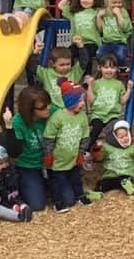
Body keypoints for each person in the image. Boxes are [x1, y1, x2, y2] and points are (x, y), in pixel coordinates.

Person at [43, 79, 100, 212]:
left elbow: (85, 137)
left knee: (76, 179)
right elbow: (49, 138)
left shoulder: (82, 117)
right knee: (57, 182)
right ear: (70, 101)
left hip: (73, 159)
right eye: (79, 101)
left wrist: (81, 153)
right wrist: (48, 154)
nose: (82, 104)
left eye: (82, 100)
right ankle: (58, 202)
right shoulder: (57, 117)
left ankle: (80, 195)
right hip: (57, 161)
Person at [0, 86, 51, 212]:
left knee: (66, 198)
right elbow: (14, 152)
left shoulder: (50, 112)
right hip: (28, 166)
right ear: (30, 110)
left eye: (48, 104)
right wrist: (9, 126)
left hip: (50, 163)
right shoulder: (18, 122)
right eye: (43, 107)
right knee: (37, 205)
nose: (48, 108)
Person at [87, 55, 132, 147]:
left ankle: (111, 149)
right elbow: (91, 100)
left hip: (112, 115)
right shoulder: (96, 83)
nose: (109, 70)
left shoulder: (118, 84)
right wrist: (90, 87)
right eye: (106, 67)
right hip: (98, 114)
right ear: (100, 68)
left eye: (112, 67)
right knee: (96, 129)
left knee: (114, 131)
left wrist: (129, 90)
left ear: (116, 69)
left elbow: (122, 101)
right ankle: (87, 150)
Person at [93, 119, 134, 195]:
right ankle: (97, 193)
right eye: (121, 137)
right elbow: (97, 157)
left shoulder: (131, 147)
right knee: (102, 183)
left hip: (126, 174)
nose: (125, 138)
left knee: (124, 180)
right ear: (113, 137)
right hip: (110, 175)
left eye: (126, 135)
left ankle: (128, 187)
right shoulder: (107, 147)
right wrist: (97, 147)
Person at [59, 0, 102, 74]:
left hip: (91, 43)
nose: (85, 0)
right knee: (67, 54)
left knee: (86, 54)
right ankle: (69, 74)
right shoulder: (74, 11)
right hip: (76, 43)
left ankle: (87, 76)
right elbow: (60, 5)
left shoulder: (97, 11)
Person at [96, 0, 133, 68]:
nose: (117, 5)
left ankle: (121, 67)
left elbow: (125, 28)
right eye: (114, 2)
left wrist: (118, 15)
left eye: (119, 2)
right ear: (107, 2)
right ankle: (104, 68)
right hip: (107, 42)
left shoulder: (123, 12)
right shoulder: (104, 12)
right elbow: (100, 29)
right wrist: (98, 17)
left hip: (120, 43)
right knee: (99, 54)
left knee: (120, 55)